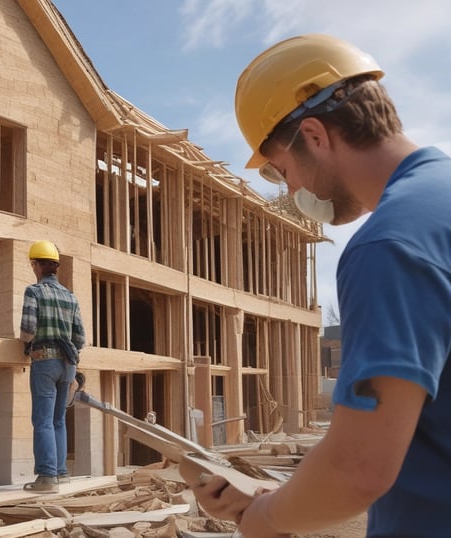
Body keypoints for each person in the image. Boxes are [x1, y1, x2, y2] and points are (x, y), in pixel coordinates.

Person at [183, 34, 451, 537]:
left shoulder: (389, 244)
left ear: (315, 135)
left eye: (283, 171)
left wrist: (265, 518)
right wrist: (280, 497)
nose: (291, 191)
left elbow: (358, 468)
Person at [19, 239, 86, 492]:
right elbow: (80, 338)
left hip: (44, 362)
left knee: (43, 420)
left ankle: (47, 478)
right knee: (59, 420)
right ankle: (60, 473)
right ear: (55, 267)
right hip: (68, 365)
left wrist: (25, 344)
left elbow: (27, 329)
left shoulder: (34, 292)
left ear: (36, 265)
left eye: (33, 265)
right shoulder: (70, 296)